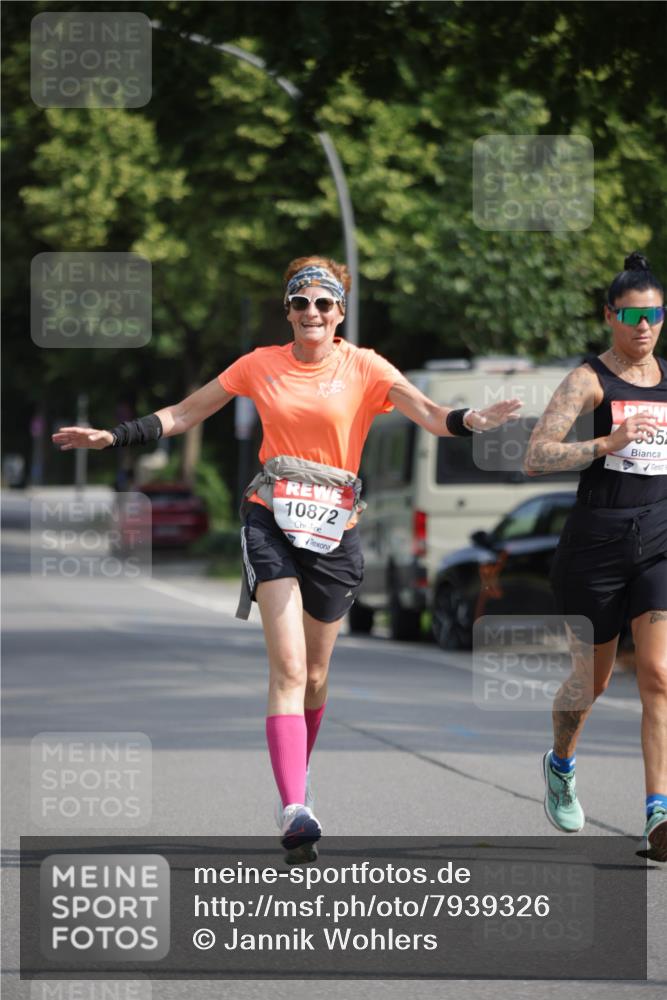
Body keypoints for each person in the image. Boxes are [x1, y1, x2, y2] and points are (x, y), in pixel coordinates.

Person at [53, 255, 522, 862]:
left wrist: (470, 421)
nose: (312, 313)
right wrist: (114, 437)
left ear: (340, 313)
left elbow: (430, 415)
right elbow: (185, 413)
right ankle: (294, 806)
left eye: (323, 304)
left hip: (335, 530)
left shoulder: (366, 367)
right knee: (290, 669)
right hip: (269, 517)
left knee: (319, 677)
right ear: (289, 311)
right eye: (301, 303)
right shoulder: (259, 364)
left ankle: (297, 775)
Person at [525, 251, 667, 861]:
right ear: (610, 315)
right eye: (632, 314)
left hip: (658, 540)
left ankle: (657, 815)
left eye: (654, 313)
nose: (643, 325)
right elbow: (537, 454)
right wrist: (605, 442)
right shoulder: (589, 379)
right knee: (593, 679)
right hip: (597, 546)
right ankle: (561, 764)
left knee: (660, 677)